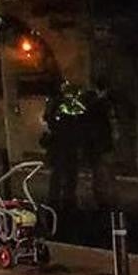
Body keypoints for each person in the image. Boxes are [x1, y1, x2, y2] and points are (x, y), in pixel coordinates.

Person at [43, 79, 86, 212]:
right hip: (63, 144)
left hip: (63, 145)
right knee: (64, 174)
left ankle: (60, 200)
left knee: (63, 174)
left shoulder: (59, 104)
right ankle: (61, 201)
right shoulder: (62, 105)